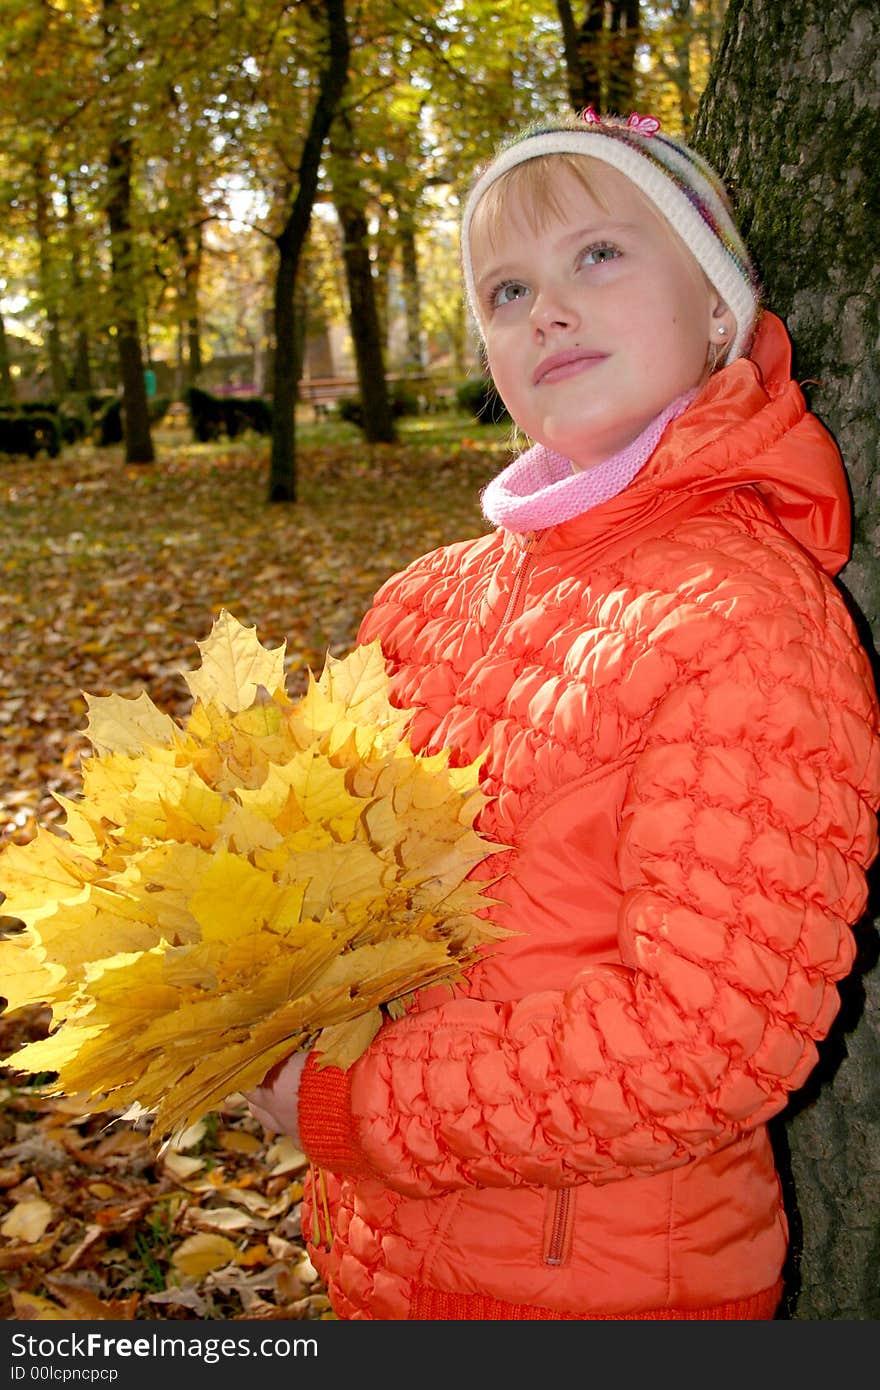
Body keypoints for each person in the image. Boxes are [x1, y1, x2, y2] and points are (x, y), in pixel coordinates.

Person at [246, 109, 880, 1320]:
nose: (545, 307)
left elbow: (712, 1041)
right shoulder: (420, 602)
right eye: (505, 288)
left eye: (599, 255)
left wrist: (359, 1104)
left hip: (605, 1288)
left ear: (715, 309)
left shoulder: (742, 615)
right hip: (386, 1263)